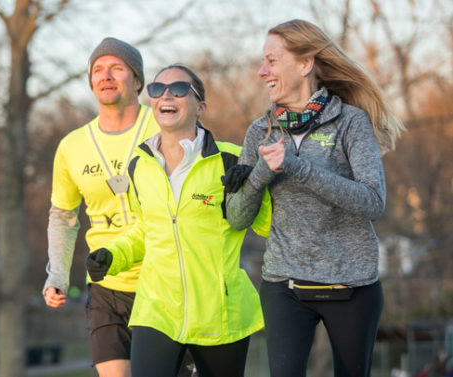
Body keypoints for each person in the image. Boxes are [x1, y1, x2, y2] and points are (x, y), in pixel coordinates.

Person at [225, 19, 405, 377]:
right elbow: (236, 218)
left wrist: (297, 167)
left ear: (305, 64)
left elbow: (373, 201)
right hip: (284, 284)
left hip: (352, 285)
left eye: (272, 61)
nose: (262, 71)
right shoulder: (259, 131)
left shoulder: (350, 122)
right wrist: (261, 171)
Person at [85, 64, 272, 377]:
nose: (166, 95)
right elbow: (145, 229)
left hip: (219, 313)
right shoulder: (138, 166)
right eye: (157, 90)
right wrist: (113, 255)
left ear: (201, 106)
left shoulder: (231, 159)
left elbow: (265, 226)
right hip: (156, 310)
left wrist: (255, 185)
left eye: (179, 89)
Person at [42, 37, 159, 377]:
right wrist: (58, 275)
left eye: (116, 68)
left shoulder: (163, 127)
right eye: (98, 70)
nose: (106, 75)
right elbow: (63, 217)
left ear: (137, 80)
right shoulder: (71, 146)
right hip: (106, 286)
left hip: (165, 279)